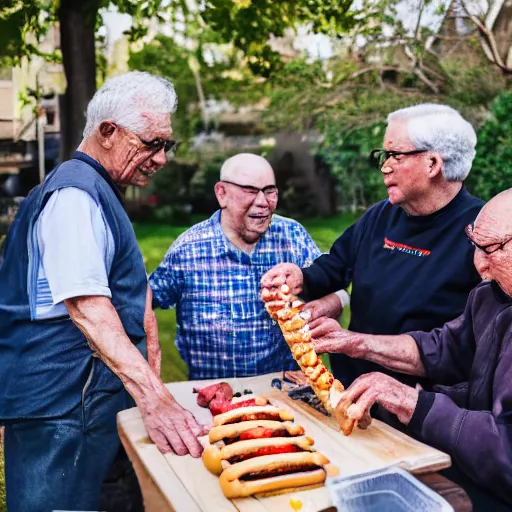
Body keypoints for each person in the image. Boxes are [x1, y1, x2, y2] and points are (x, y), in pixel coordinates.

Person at [0, 71, 207, 512]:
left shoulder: (97, 189)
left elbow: (133, 295)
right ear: (108, 132)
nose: (162, 158)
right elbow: (88, 307)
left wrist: (150, 381)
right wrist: (157, 402)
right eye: (152, 143)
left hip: (90, 400)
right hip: (62, 404)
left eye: (166, 145)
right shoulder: (75, 194)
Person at [310, 189, 512, 510]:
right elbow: (443, 349)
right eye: (474, 244)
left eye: (489, 250)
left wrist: (415, 403)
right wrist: (354, 342)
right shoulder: (489, 296)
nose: (478, 265)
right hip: (465, 470)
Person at [261, 103, 484, 389]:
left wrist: (360, 344)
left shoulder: (482, 233)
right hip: (351, 390)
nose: (385, 166)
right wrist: (302, 277)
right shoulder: (381, 216)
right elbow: (337, 265)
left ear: (433, 164)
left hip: (420, 404)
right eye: (383, 155)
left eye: (394, 155)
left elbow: (467, 344)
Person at [149, 153, 348, 379]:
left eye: (270, 191)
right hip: (213, 395)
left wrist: (319, 308)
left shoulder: (292, 235)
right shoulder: (188, 250)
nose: (263, 202)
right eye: (251, 191)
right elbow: (143, 302)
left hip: (286, 394)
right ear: (222, 194)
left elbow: (340, 290)